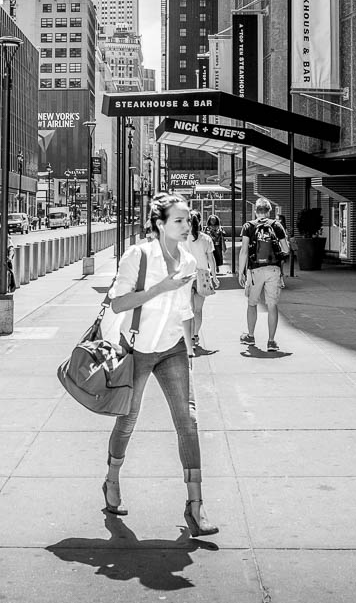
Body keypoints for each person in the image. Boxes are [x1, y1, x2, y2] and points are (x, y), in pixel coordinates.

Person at [103, 192, 218, 537]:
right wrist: (160, 288)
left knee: (189, 421)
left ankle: (195, 506)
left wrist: (190, 347)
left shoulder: (187, 260)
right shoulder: (137, 255)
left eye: (188, 220)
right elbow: (118, 304)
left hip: (172, 349)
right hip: (137, 349)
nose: (187, 226)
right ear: (159, 224)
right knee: (128, 419)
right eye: (179, 220)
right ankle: (111, 480)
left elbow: (183, 309)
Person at [238, 197, 289, 350]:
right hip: (273, 269)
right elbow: (285, 249)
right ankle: (271, 341)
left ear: (255, 211)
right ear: (269, 211)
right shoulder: (277, 225)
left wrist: (241, 272)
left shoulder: (249, 226)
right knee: (272, 305)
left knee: (252, 303)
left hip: (255, 269)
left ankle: (251, 336)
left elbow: (244, 251)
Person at [186, 212, 218, 347]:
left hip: (186, 276)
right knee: (198, 310)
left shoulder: (181, 238)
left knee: (187, 309)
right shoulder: (206, 239)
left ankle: (186, 336)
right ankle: (195, 336)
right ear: (199, 222)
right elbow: (211, 260)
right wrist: (214, 277)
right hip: (202, 276)